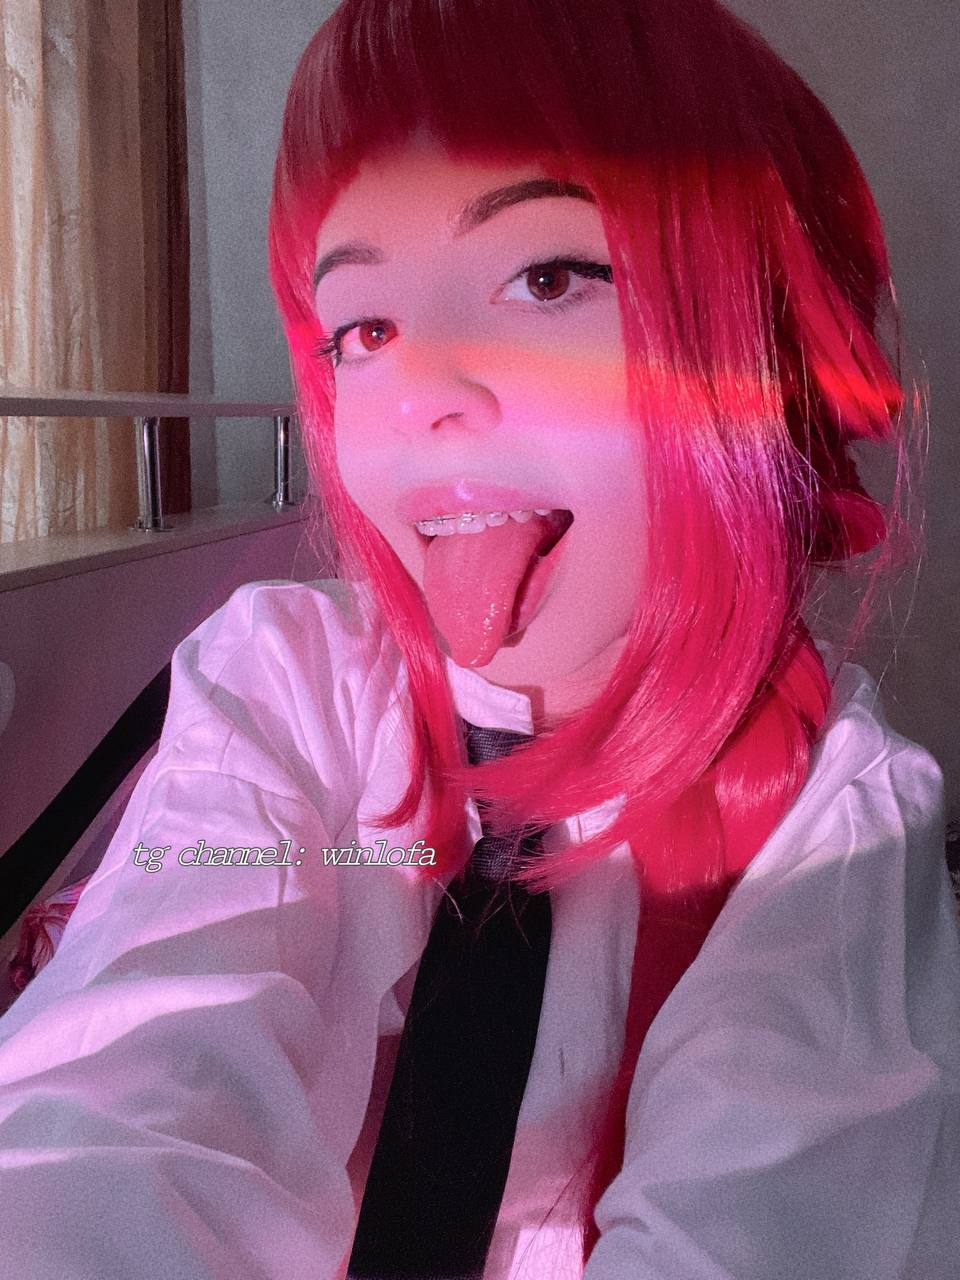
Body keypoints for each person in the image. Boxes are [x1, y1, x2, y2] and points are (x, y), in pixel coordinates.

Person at [1, 0, 957, 1276]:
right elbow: (121, 1094)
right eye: (367, 330)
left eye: (547, 277)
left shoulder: (833, 813)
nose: (422, 396)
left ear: (746, 341)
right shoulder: (281, 682)